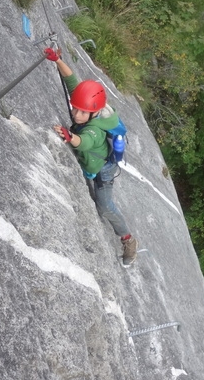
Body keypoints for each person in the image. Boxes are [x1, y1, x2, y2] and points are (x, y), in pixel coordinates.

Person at [44, 47, 138, 267]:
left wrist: (69, 136)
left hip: (103, 170)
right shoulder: (89, 105)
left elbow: (84, 141)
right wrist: (57, 59)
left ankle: (128, 241)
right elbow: (72, 80)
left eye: (81, 112)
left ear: (94, 113)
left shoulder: (93, 129)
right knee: (97, 192)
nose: (76, 114)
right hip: (95, 163)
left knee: (104, 207)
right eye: (75, 109)